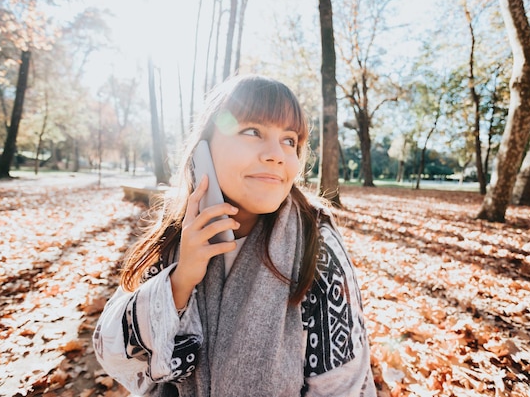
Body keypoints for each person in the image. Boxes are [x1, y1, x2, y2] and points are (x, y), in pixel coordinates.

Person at [93, 74, 377, 397]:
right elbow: (111, 350)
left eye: (289, 140)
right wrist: (180, 281)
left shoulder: (316, 241)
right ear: (204, 148)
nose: (277, 155)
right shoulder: (177, 232)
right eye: (252, 131)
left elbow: (346, 386)